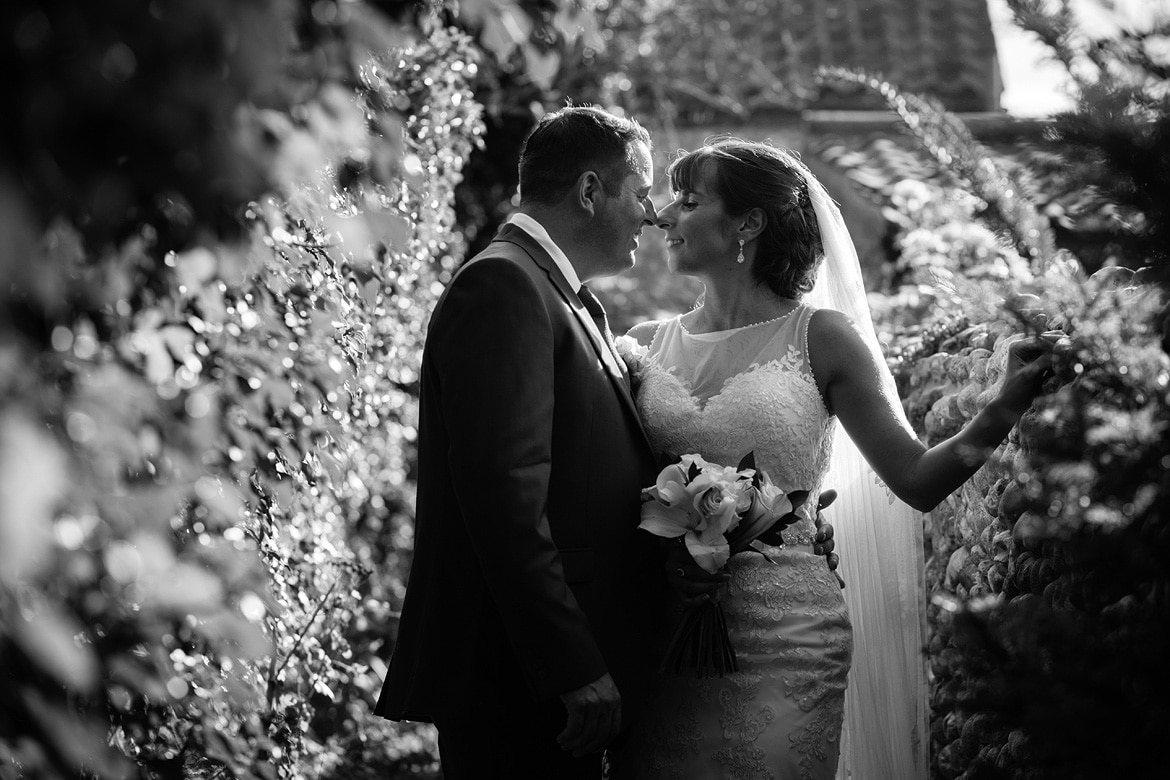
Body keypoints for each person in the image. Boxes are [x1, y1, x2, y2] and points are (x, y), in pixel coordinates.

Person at [609, 139, 1060, 780]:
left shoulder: (822, 337)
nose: (663, 216)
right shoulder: (641, 348)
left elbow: (916, 478)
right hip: (664, 636)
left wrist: (1005, 402)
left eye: (688, 200)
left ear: (748, 223)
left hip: (788, 637)